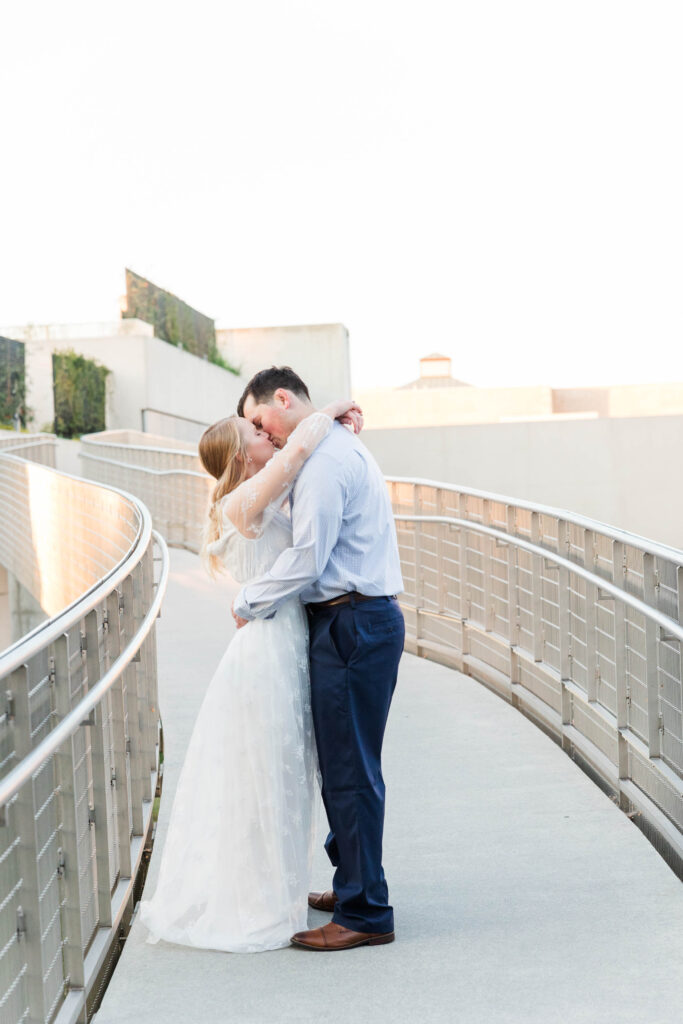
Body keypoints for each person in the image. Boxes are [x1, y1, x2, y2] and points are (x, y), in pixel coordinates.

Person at [138, 395, 361, 953]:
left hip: (280, 641)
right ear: (242, 456)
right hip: (265, 651)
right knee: (267, 773)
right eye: (255, 432)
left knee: (281, 774)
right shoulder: (244, 497)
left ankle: (275, 892)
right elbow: (303, 445)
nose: (268, 433)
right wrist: (332, 408)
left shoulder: (257, 494)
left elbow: (300, 463)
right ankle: (259, 902)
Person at [234, 365, 404, 952]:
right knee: (342, 767)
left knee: (351, 772)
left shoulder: (328, 462)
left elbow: (308, 557)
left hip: (352, 622)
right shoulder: (327, 444)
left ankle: (365, 912)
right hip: (349, 622)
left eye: (260, 420)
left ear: (281, 399)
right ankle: (354, 882)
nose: (264, 433)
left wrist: (248, 599)